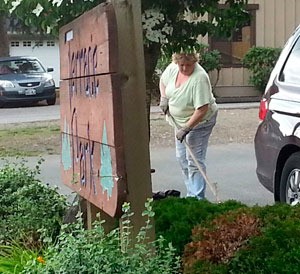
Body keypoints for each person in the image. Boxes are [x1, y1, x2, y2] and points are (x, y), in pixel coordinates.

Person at [159, 52, 218, 200]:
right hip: (178, 121)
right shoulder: (173, 68)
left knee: (194, 161)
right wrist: (164, 98)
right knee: (182, 158)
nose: (184, 68)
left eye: (188, 65)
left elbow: (202, 109)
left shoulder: (199, 78)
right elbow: (163, 81)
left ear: (195, 62)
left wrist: (187, 128)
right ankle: (191, 193)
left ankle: (197, 198)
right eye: (181, 65)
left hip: (199, 123)